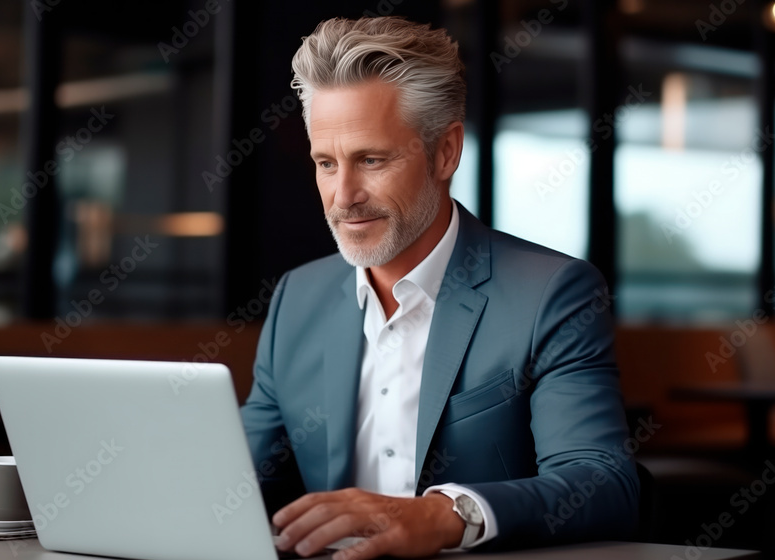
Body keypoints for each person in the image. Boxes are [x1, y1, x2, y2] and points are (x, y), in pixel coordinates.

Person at [240, 16, 639, 559]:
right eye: (325, 163)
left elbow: (603, 483)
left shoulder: (551, 293)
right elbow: (234, 480)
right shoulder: (297, 299)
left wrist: (445, 514)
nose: (343, 195)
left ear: (446, 152)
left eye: (371, 160)